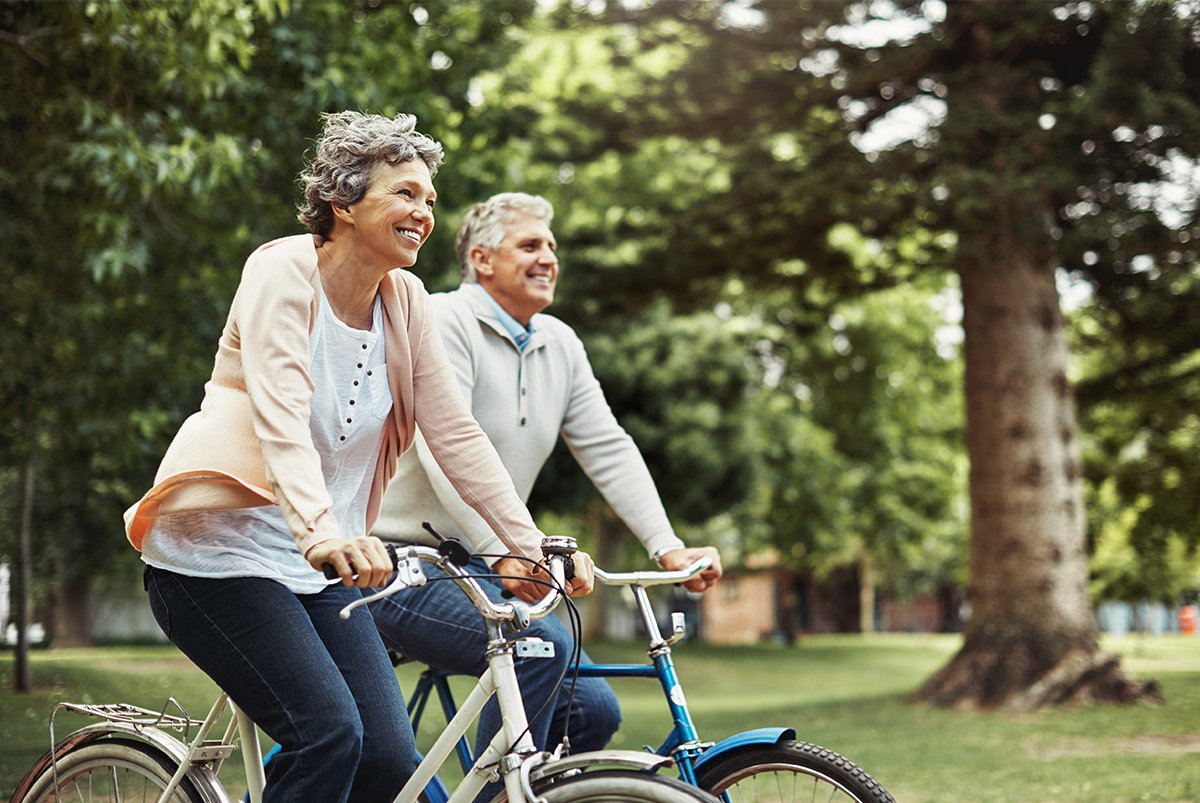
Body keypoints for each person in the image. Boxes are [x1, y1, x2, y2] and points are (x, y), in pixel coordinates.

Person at [123, 116, 593, 803]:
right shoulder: (281, 270)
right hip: (217, 557)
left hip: (323, 571)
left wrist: (528, 546)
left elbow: (456, 436)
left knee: (387, 758)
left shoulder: (406, 303)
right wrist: (322, 532)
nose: (423, 213)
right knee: (328, 733)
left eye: (430, 201)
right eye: (406, 194)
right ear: (343, 203)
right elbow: (280, 411)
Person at [369, 192, 723, 780]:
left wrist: (666, 545)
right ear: (481, 259)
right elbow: (443, 449)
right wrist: (505, 550)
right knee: (542, 649)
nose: (548, 258)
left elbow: (608, 447)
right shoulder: (442, 319)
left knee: (591, 709)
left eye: (552, 247)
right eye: (530, 245)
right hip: (398, 559)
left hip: (484, 562)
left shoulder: (559, 342)